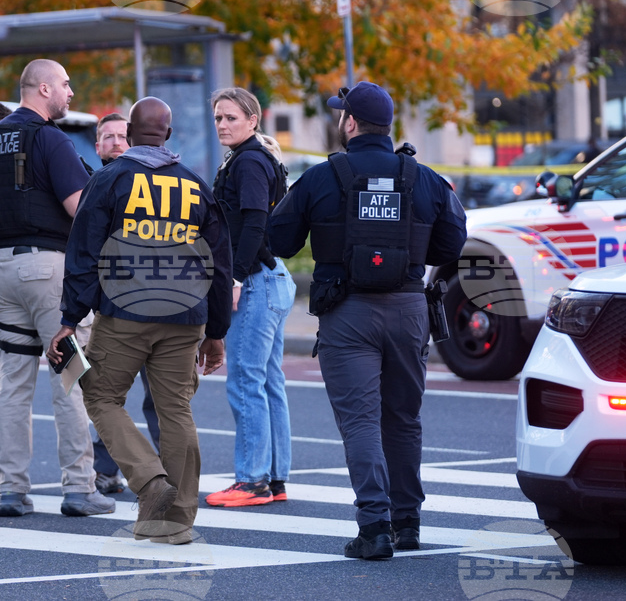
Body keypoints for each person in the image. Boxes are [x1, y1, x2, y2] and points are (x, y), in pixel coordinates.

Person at [267, 81, 467, 560]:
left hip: (348, 313)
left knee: (360, 422)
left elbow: (280, 240)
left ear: (350, 123)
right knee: (403, 419)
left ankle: (374, 527)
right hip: (409, 310)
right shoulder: (425, 178)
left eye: (341, 115)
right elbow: (452, 242)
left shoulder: (320, 177)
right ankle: (408, 523)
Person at [48, 96, 232, 546]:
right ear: (168, 134)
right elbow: (220, 262)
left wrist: (71, 317)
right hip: (186, 316)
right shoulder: (195, 185)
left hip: (126, 312)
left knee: (100, 395)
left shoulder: (110, 179)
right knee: (176, 411)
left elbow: (84, 250)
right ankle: (176, 523)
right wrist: (217, 331)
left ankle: (150, 483)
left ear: (129, 134)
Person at [0, 59, 115, 518]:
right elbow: (78, 207)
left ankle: (11, 490)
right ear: (45, 88)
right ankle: (79, 488)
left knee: (12, 385)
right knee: (69, 379)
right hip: (47, 271)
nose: (70, 94)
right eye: (67, 86)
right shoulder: (49, 139)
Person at [204, 88, 297, 509]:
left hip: (257, 279)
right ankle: (273, 478)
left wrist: (237, 277)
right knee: (268, 382)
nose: (223, 124)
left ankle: (253, 480)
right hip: (271, 277)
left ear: (253, 120)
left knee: (245, 382)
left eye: (231, 118)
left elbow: (255, 221)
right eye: (219, 117)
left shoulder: (249, 162)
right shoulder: (253, 158)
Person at [89, 112, 162, 495]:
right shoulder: (90, 185)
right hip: (107, 306)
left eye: (122, 135)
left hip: (152, 305)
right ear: (97, 144)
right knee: (103, 393)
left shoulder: (156, 183)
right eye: (108, 136)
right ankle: (105, 469)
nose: (116, 142)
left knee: (160, 397)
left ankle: (163, 474)